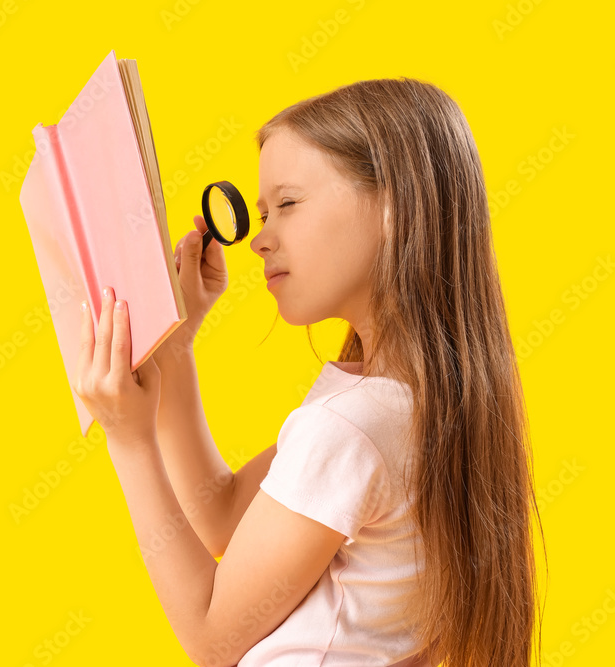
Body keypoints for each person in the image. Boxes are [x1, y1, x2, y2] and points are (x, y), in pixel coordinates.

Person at [73, 77, 545, 667]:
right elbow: (224, 518)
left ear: (395, 208)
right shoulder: (413, 402)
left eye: (288, 204)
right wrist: (175, 351)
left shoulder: (351, 426)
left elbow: (212, 639)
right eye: (262, 213)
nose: (260, 240)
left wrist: (128, 437)